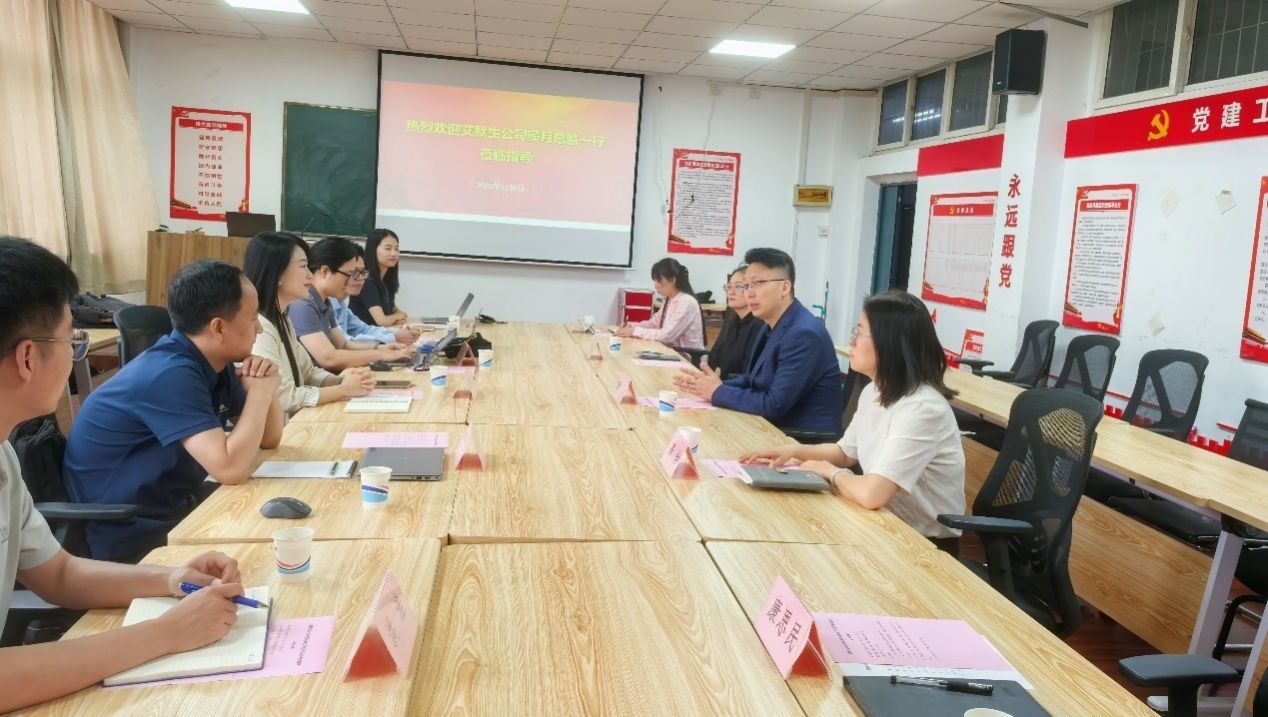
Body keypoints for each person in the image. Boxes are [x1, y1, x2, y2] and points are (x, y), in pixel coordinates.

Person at [0, 238, 249, 712]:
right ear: (28, 357)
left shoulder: (4, 455)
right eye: (72, 341)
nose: (75, 354)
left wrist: (172, 579)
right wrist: (165, 633)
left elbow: (60, 573)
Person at [64, 259, 285, 563]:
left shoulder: (212, 362)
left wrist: (266, 387)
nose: (259, 328)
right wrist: (260, 393)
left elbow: (269, 439)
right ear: (218, 327)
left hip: (174, 510)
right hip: (130, 536)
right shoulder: (170, 374)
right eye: (252, 318)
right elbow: (230, 469)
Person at [741, 290, 966, 554]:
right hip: (879, 525)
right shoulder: (874, 391)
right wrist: (794, 450)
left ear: (889, 342)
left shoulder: (922, 408)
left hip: (923, 546)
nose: (852, 340)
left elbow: (872, 494)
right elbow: (845, 453)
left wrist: (831, 473)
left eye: (859, 332)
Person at [674, 248, 842, 438]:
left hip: (802, 439)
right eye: (746, 286)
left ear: (785, 287)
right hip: (771, 427)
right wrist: (713, 385)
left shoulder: (803, 334)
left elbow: (774, 405)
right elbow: (752, 380)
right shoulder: (770, 324)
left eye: (757, 284)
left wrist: (718, 391)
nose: (749, 293)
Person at [244, 232, 375, 414]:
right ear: (277, 273)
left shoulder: (282, 318)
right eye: (303, 267)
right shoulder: (260, 327)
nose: (309, 275)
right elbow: (285, 398)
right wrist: (344, 389)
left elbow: (308, 373)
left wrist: (341, 380)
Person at [288, 237, 410, 372]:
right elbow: (328, 358)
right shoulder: (303, 304)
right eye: (351, 274)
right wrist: (380, 355)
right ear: (325, 271)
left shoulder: (325, 301)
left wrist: (382, 348)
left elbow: (343, 344)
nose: (355, 280)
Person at [333, 243, 420, 346]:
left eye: (362, 272)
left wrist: (397, 332)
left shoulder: (341, 305)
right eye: (353, 273)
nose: (361, 278)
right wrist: (394, 337)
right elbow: (345, 343)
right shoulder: (325, 305)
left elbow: (363, 329)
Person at [614, 257, 704, 350]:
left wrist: (634, 331)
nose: (656, 285)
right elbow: (654, 324)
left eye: (659, 280)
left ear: (673, 280)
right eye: (655, 281)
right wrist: (632, 326)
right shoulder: (670, 299)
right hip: (670, 351)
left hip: (685, 356)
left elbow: (667, 336)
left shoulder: (687, 302)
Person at [702, 265, 762, 380]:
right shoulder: (733, 317)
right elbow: (716, 358)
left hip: (731, 387)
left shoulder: (760, 325)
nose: (731, 292)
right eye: (729, 287)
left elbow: (748, 375)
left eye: (738, 286)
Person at [351, 228, 408, 327]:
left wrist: (398, 316)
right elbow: (382, 321)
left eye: (396, 249)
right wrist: (397, 317)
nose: (394, 254)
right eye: (388, 248)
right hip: (362, 335)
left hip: (377, 333)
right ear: (373, 250)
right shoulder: (366, 281)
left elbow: (394, 310)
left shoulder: (385, 281)